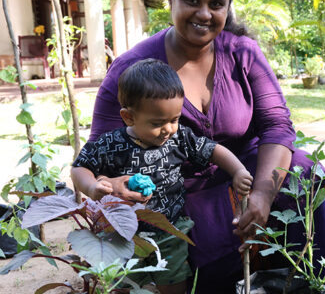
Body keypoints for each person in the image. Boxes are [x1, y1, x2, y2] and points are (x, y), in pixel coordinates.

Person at [88, 0, 325, 293]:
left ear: (228, 6)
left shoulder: (242, 53)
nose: (204, 14)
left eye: (216, 4)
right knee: (188, 236)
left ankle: (317, 286)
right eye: (192, 0)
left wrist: (263, 195)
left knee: (299, 172)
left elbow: (277, 126)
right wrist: (115, 186)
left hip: (246, 177)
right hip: (178, 195)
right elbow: (101, 157)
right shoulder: (132, 70)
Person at [71, 58, 253, 294]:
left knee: (174, 280)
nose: (168, 128)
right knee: (123, 283)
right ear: (129, 117)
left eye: (174, 119)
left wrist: (237, 170)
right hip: (123, 233)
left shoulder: (179, 138)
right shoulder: (111, 144)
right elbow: (79, 167)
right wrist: (93, 187)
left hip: (170, 230)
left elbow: (212, 150)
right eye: (157, 123)